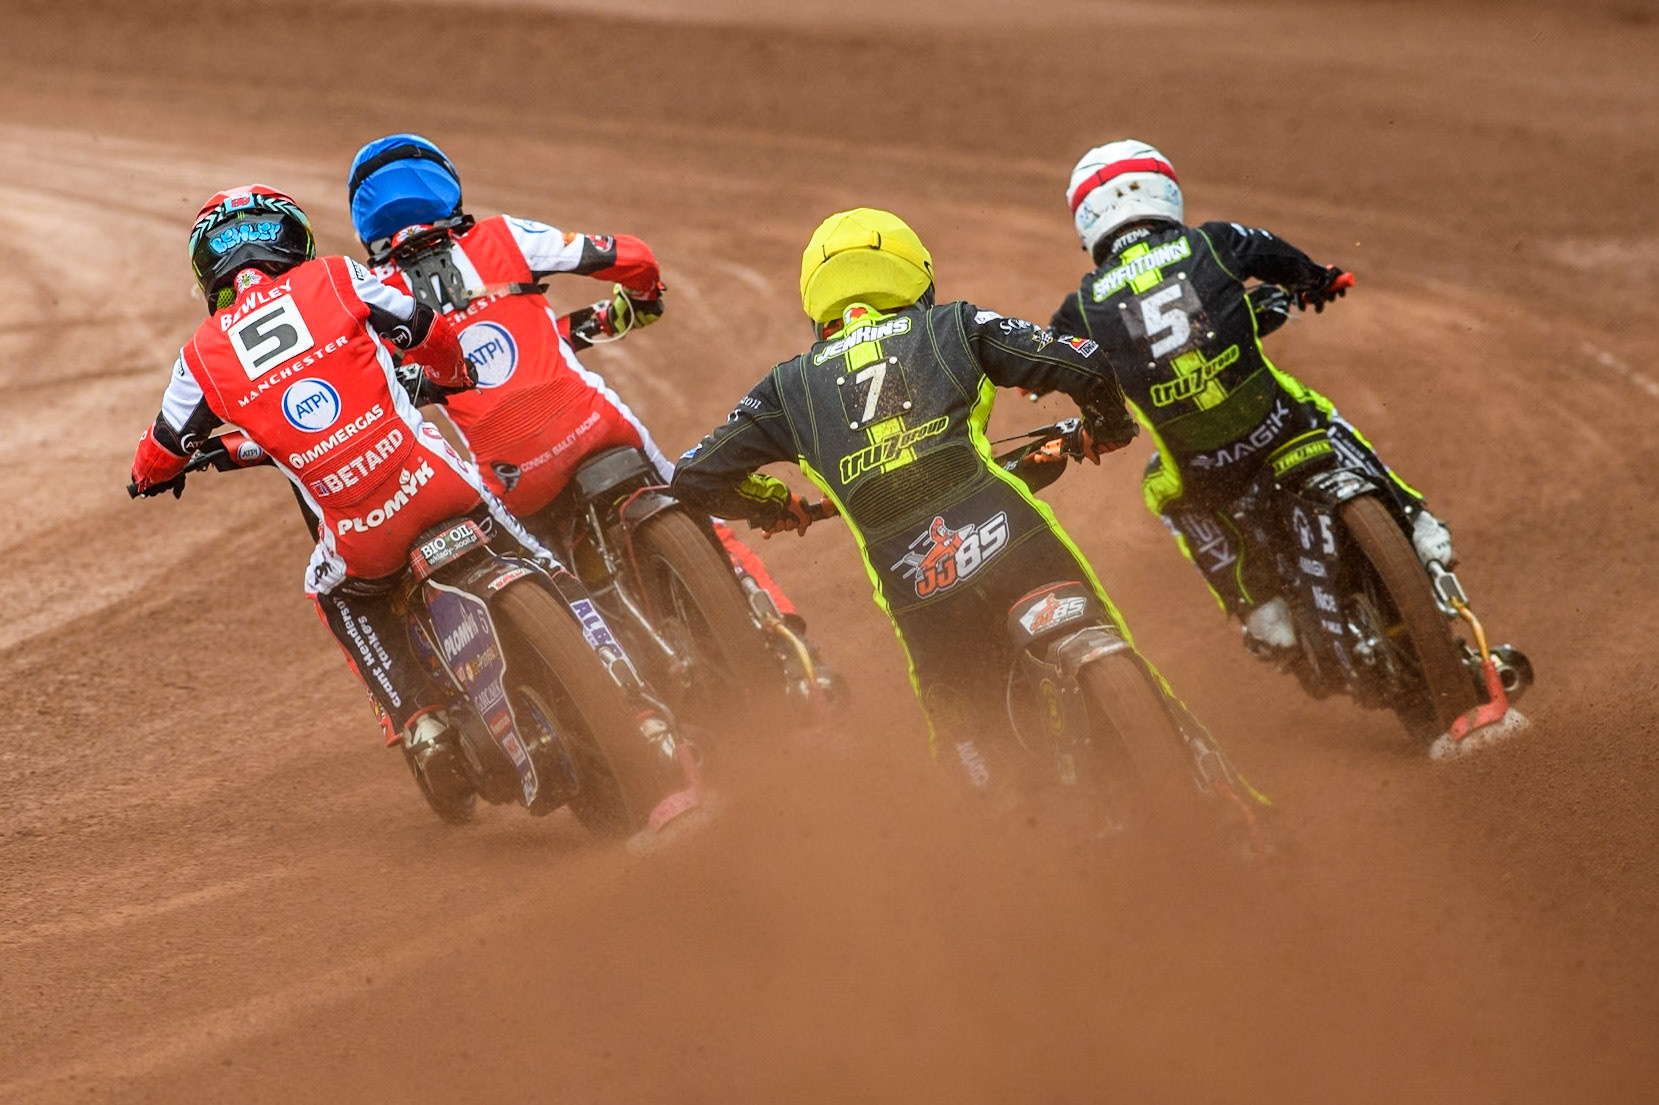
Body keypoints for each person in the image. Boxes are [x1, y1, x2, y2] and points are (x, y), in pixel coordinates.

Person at [671, 207, 1188, 784]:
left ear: (817, 301)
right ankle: (1231, 809)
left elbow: (693, 477)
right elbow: (1082, 360)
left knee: (975, 754)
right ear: (914, 274)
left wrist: (772, 504)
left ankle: (1006, 829)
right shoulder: (953, 325)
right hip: (1010, 537)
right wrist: (1108, 425)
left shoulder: (786, 387)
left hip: (920, 584)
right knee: (1124, 655)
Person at [129, 183, 543, 803]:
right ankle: (602, 638)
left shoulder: (200, 357)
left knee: (331, 591)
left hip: (363, 536)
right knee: (527, 545)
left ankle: (420, 719)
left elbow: (159, 449)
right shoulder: (338, 276)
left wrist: (149, 478)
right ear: (293, 240)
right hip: (436, 485)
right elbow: (423, 326)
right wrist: (453, 373)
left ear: (208, 270)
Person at [344, 133, 799, 622]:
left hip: (512, 476)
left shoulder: (375, 295)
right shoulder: (502, 237)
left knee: (553, 590)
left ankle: (614, 670)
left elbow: (394, 392)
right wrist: (642, 302)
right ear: (445, 184)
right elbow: (635, 258)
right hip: (592, 427)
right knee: (692, 508)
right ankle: (789, 636)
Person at [1049, 140, 1453, 660]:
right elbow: (1285, 260)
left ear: (1087, 219)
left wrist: (1037, 383)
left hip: (1205, 467)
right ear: (1164, 191)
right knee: (1321, 415)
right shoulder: (1214, 242)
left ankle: (1260, 606)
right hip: (1278, 424)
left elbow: (1048, 359)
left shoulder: (1079, 307)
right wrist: (1319, 281)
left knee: (1161, 490)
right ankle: (1416, 520)